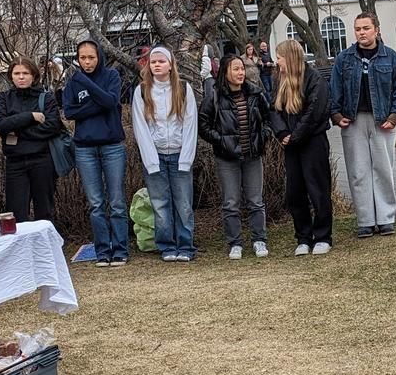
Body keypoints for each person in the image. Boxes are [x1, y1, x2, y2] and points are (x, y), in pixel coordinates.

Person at [330, 13, 396, 237]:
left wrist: (394, 116)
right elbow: (334, 87)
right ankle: (365, 219)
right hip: (353, 120)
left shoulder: (390, 58)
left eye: (365, 28)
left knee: (383, 169)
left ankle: (385, 218)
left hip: (383, 120)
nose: (361, 32)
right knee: (358, 171)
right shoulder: (344, 59)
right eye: (357, 29)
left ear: (376, 30)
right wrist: (335, 114)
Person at [61, 40, 129, 267]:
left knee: (117, 201)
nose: (87, 62)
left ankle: (120, 249)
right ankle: (102, 250)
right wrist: (98, 104)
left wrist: (88, 88)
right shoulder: (73, 82)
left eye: (91, 57)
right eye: (82, 58)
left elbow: (111, 101)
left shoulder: (111, 76)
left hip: (112, 145)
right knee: (96, 204)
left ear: (99, 56)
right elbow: (69, 112)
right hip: (84, 148)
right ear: (77, 59)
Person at [200, 53, 270, 259]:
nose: (240, 73)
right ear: (225, 72)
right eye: (236, 69)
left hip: (252, 155)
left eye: (242, 69)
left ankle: (259, 240)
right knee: (231, 202)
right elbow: (203, 126)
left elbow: (268, 118)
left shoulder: (255, 93)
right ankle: (235, 243)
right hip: (226, 158)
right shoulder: (214, 96)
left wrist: (263, 137)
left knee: (256, 201)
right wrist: (221, 140)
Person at [132, 47, 198, 263]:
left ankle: (185, 245)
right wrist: (151, 161)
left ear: (170, 64)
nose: (157, 65)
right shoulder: (142, 91)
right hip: (156, 156)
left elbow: (190, 124)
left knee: (184, 204)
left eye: (161, 61)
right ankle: (167, 245)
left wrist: (186, 158)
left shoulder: (183, 88)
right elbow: (140, 128)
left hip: (179, 154)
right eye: (153, 62)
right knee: (160, 204)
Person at [271, 39, 333, 256]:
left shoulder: (314, 78)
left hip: (312, 142)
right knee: (295, 192)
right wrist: (282, 133)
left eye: (279, 57)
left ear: (289, 58)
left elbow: (315, 112)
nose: (276, 62)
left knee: (318, 190)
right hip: (291, 145)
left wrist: (295, 136)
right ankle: (303, 237)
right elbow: (274, 109)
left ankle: (323, 236)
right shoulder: (278, 80)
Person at [0, 59, 64, 227]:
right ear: (11, 76)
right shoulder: (4, 98)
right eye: (17, 73)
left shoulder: (46, 98)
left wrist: (18, 131)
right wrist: (30, 116)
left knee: (45, 210)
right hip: (15, 162)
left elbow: (53, 126)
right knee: (16, 212)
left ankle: (46, 250)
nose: (21, 77)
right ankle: (22, 252)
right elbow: (0, 124)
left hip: (42, 160)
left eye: (25, 73)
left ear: (33, 76)